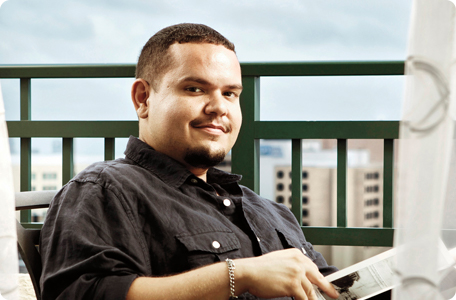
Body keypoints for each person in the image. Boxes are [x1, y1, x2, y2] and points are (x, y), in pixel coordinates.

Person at [39, 23, 339, 300]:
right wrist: (238, 276)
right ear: (143, 98)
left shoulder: (269, 211)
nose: (219, 107)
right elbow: (80, 294)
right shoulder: (106, 189)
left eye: (230, 93)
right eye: (195, 89)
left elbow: (334, 288)